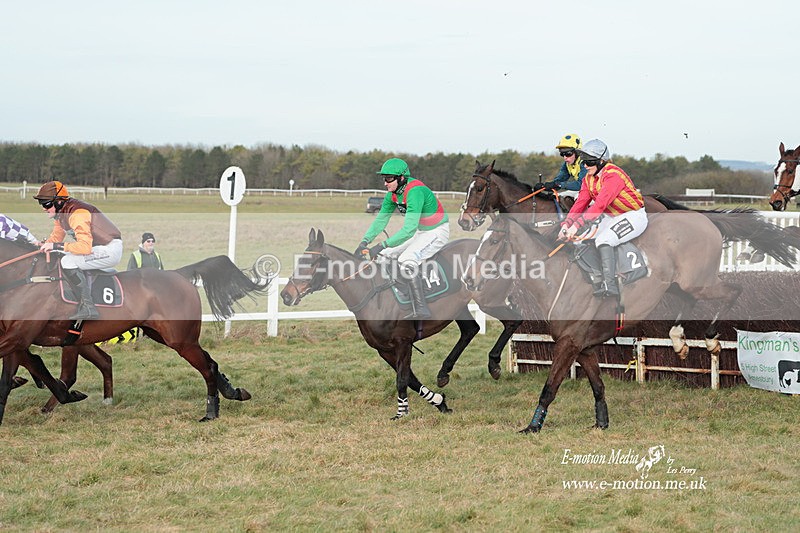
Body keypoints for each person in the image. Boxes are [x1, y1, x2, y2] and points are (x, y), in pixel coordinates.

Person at [354, 158, 450, 319]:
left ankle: (421, 308)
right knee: (384, 256)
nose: (385, 183)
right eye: (384, 178)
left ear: (402, 178)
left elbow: (408, 230)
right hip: (421, 231)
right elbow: (381, 220)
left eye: (389, 178)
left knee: (407, 259)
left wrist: (381, 244)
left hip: (436, 231)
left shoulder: (415, 192)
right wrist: (365, 241)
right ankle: (398, 295)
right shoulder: (392, 194)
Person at [557, 139, 647, 298]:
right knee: (580, 240)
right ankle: (597, 276)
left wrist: (576, 225)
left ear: (601, 161)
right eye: (583, 162)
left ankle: (611, 285)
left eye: (589, 162)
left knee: (603, 240)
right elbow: (580, 204)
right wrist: (566, 225)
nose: (585, 165)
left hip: (633, 215)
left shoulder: (613, 175)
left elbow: (599, 205)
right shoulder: (588, 178)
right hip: (611, 216)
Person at [34, 180, 123, 320]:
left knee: (68, 261)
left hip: (109, 249)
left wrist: (55, 247)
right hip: (97, 248)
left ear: (59, 202)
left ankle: (88, 307)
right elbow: (55, 239)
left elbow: (84, 247)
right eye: (41, 204)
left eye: (46, 204)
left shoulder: (77, 214)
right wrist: (40, 245)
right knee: (60, 255)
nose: (43, 208)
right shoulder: (61, 215)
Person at [536, 133, 587, 199]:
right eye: (562, 154)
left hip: (597, 192)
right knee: (558, 196)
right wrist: (544, 187)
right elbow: (559, 181)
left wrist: (559, 184)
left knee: (578, 198)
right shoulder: (567, 164)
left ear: (577, 152)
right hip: (585, 190)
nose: (565, 157)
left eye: (568, 153)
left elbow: (580, 185)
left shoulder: (585, 162)